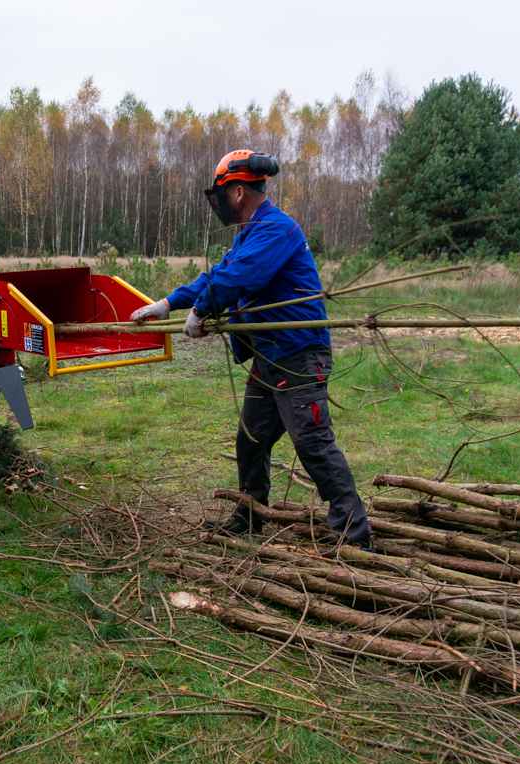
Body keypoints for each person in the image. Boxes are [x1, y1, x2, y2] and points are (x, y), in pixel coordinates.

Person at [130, 149, 372, 547]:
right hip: (269, 355)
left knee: (313, 442)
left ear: (239, 192)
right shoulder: (253, 232)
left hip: (296, 355)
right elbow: (220, 275)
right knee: (251, 437)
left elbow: (239, 278)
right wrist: (170, 304)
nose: (221, 202)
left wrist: (203, 310)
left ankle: (354, 534)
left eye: (223, 193)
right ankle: (250, 516)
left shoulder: (276, 230)